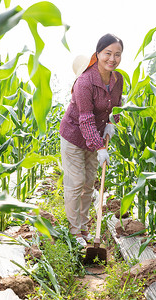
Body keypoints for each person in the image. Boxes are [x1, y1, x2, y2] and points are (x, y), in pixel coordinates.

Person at [59, 33, 124, 247]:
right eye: (108, 53)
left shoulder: (118, 80)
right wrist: (99, 148)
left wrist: (112, 123)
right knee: (76, 182)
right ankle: (74, 231)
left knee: (89, 184)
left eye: (117, 54)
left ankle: (85, 228)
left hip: (97, 136)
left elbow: (115, 107)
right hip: (75, 136)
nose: (112, 59)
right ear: (97, 54)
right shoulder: (85, 82)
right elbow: (85, 119)